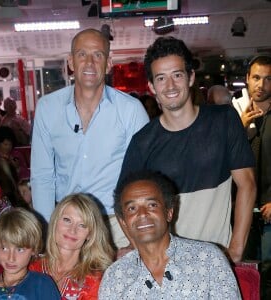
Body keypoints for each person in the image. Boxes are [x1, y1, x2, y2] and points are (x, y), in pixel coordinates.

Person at [117, 36, 256, 263]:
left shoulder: (224, 121)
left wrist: (236, 250)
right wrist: (144, 251)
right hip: (168, 264)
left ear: (191, 77)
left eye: (177, 75)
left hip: (216, 259)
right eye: (161, 78)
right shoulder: (142, 142)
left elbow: (247, 184)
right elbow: (123, 205)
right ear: (152, 86)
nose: (170, 86)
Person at [31, 28, 149, 248]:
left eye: (98, 55)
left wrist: (135, 237)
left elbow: (144, 177)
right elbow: (42, 176)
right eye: (82, 54)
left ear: (109, 63)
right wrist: (46, 233)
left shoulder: (131, 110)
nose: (89, 62)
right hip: (67, 228)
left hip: (117, 227)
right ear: (71, 62)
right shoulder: (47, 108)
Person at [99, 171, 241, 299]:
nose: (142, 214)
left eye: (152, 205)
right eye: (132, 208)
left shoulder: (209, 259)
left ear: (169, 212)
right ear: (124, 222)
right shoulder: (115, 277)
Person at [29, 193, 114, 299]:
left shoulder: (94, 280)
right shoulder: (31, 267)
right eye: (67, 220)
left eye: (82, 225)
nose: (72, 230)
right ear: (55, 221)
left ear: (90, 234)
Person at [0, 207, 61, 299]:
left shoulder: (42, 285)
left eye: (20, 249)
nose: (11, 258)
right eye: (4, 248)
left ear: (34, 249)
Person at [239, 54, 271, 300]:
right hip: (243, 211)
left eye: (269, 79)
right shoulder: (233, 114)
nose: (262, 85)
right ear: (247, 80)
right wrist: (239, 128)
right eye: (257, 78)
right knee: (246, 271)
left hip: (269, 209)